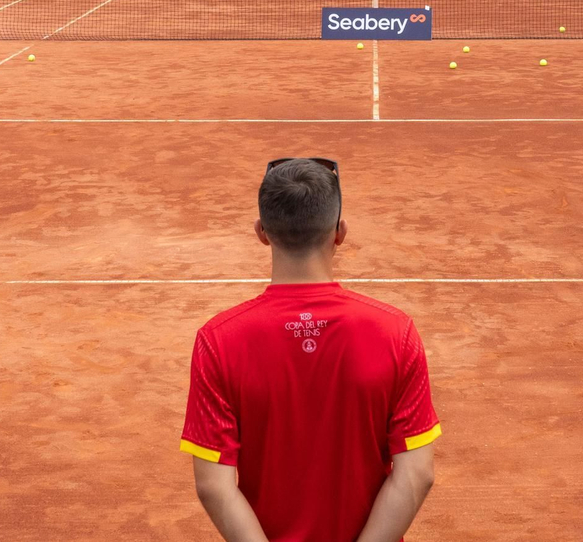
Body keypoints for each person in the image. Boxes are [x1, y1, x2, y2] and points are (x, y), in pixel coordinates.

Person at [180, 158, 439, 542]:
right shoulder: (396, 333)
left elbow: (214, 485)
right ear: (340, 232)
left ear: (261, 232)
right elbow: (417, 475)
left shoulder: (218, 340)